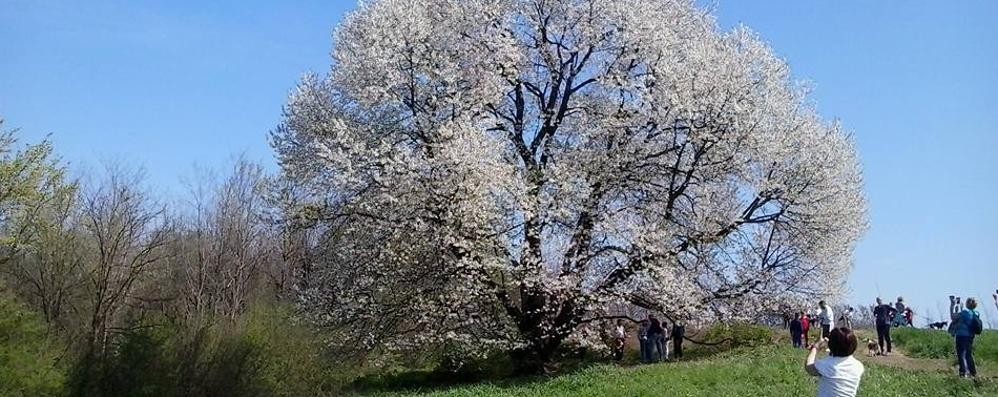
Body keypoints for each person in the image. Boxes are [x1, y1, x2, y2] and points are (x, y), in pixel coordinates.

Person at [805, 327, 865, 397]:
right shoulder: (858, 366)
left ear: (831, 345)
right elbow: (843, 353)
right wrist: (834, 345)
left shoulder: (826, 365)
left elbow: (808, 367)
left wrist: (815, 347)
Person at [950, 296, 981, 378]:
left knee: (961, 355)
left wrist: (952, 305)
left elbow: (953, 317)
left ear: (967, 303)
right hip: (971, 336)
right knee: (968, 354)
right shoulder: (976, 313)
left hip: (961, 336)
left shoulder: (964, 313)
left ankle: (963, 373)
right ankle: (973, 372)